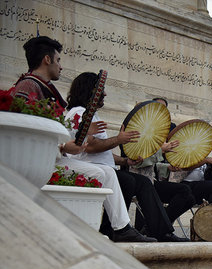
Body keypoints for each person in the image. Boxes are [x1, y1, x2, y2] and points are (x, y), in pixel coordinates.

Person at [13, 37, 153, 242]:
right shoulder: (28, 86)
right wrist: (63, 146)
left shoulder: (44, 88)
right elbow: (24, 131)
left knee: (106, 173)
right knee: (103, 173)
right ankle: (112, 229)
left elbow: (52, 130)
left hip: (53, 156)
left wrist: (71, 139)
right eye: (58, 60)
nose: (61, 66)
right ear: (46, 59)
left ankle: (122, 228)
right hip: (39, 161)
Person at [66, 72, 186, 242]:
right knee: (131, 181)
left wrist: (125, 161)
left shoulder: (86, 113)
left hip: (101, 167)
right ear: (90, 91)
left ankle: (119, 230)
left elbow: (101, 151)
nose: (105, 94)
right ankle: (127, 230)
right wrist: (118, 139)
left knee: (134, 182)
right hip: (90, 170)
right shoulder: (80, 113)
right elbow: (90, 146)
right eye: (102, 90)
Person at [128, 98, 195, 227]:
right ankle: (161, 227)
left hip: (150, 180)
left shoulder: (152, 132)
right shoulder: (136, 131)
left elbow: (151, 164)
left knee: (189, 197)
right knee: (184, 191)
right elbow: (137, 160)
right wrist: (162, 151)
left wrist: (168, 167)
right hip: (138, 180)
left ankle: (158, 226)